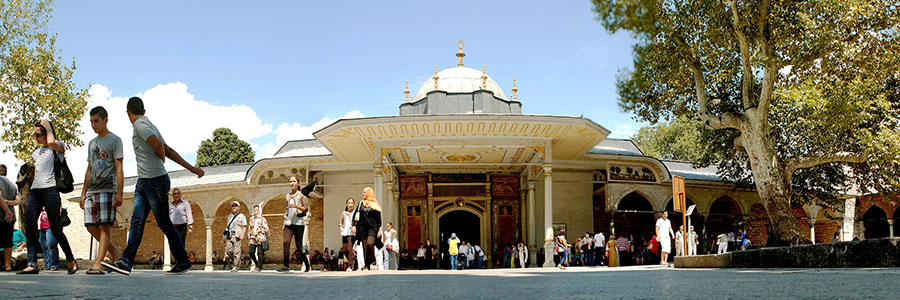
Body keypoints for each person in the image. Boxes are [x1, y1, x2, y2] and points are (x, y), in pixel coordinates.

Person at [106, 98, 204, 276]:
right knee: (137, 222)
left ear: (128, 113)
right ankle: (126, 262)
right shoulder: (149, 124)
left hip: (154, 182)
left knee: (164, 223)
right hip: (144, 182)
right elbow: (169, 150)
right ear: (144, 110)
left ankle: (182, 261)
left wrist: (161, 156)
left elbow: (161, 148)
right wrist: (192, 168)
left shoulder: (140, 125)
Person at [19, 120, 78, 275]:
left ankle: (71, 260)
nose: (35, 138)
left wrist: (48, 126)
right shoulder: (36, 153)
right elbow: (37, 173)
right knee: (30, 226)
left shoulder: (58, 147)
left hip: (50, 190)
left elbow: (51, 142)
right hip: (35, 191)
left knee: (56, 229)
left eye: (38, 134)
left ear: (47, 133)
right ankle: (32, 263)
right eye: (34, 135)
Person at [79, 107, 126, 275]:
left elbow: (119, 168)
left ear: (105, 120)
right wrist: (83, 192)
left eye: (96, 121)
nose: (93, 125)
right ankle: (115, 251)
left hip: (108, 188)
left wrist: (120, 192)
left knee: (104, 225)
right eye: (91, 121)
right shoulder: (92, 143)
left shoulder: (115, 140)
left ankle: (98, 263)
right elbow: (89, 168)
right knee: (90, 226)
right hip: (92, 190)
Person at [279, 177, 313, 272]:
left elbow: (306, 209)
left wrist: (296, 206)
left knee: (299, 246)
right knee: (285, 242)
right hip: (288, 223)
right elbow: (286, 210)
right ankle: (286, 265)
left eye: (294, 181)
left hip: (298, 223)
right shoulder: (287, 196)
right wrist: (284, 222)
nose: (292, 183)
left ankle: (307, 264)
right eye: (290, 181)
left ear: (298, 183)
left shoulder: (302, 195)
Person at [351, 187, 382, 271]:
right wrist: (353, 225)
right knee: (364, 247)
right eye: (363, 192)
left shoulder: (375, 204)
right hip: (362, 228)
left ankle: (372, 262)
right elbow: (355, 214)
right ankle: (367, 265)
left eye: (365, 192)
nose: (363, 194)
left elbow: (378, 218)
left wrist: (380, 228)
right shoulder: (361, 203)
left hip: (372, 227)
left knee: (370, 243)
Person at [0, 164, 19, 271]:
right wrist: (9, 203)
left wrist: (6, 209)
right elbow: (19, 200)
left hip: (2, 214)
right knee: (8, 241)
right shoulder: (12, 185)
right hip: (11, 217)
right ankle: (7, 265)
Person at [223, 201, 247, 272]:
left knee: (237, 251)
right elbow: (227, 227)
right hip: (230, 235)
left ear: (238, 207)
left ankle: (235, 267)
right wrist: (224, 237)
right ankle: (236, 261)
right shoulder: (229, 216)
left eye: (235, 205)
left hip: (237, 235)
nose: (234, 207)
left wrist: (242, 234)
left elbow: (244, 226)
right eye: (233, 205)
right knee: (228, 250)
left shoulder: (241, 216)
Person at [247, 204, 269, 272]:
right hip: (253, 238)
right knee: (251, 252)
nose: (255, 211)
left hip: (260, 238)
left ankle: (259, 267)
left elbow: (267, 229)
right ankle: (256, 264)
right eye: (254, 210)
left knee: (260, 253)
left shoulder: (263, 219)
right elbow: (249, 228)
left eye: (256, 210)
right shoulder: (252, 220)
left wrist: (259, 231)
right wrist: (249, 236)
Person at [339, 198, 356, 271]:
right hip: (344, 233)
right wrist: (341, 229)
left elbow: (357, 222)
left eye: (351, 203)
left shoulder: (355, 213)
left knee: (349, 249)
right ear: (346, 204)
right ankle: (354, 257)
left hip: (351, 233)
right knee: (344, 250)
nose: (350, 204)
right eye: (349, 203)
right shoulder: (343, 213)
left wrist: (354, 227)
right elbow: (340, 223)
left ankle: (350, 266)